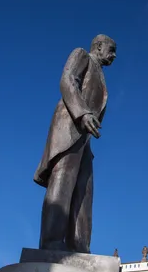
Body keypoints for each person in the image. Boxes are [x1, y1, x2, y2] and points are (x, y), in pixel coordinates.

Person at [34, 34, 116, 252]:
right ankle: (51, 244)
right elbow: (68, 80)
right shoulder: (82, 55)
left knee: (84, 193)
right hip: (70, 131)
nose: (114, 55)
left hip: (84, 142)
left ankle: (79, 248)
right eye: (111, 49)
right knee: (62, 186)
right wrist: (82, 113)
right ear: (98, 46)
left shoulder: (101, 75)